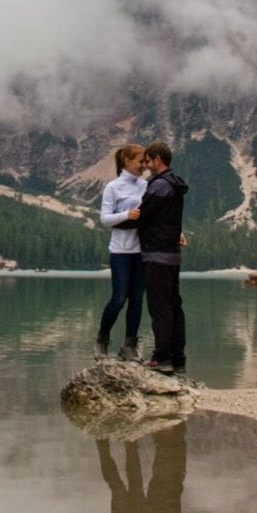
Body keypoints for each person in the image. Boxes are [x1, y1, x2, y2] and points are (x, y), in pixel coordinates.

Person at [136, 141, 188, 374]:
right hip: (172, 255)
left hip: (157, 254)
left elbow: (142, 216)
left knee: (160, 308)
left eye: (147, 161)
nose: (145, 165)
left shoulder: (159, 187)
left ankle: (161, 357)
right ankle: (178, 357)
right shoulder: (174, 185)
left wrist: (120, 221)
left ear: (158, 160)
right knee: (174, 306)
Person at [95, 143, 147, 360]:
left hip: (142, 251)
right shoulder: (113, 187)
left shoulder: (145, 185)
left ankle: (129, 345)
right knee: (118, 298)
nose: (144, 165)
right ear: (127, 161)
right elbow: (105, 219)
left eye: (146, 161)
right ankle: (102, 338)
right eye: (140, 161)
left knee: (137, 300)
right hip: (121, 251)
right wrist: (128, 215)